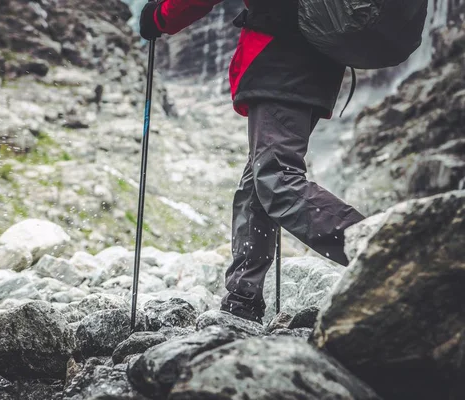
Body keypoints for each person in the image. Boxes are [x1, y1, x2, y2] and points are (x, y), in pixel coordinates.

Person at [139, 0, 365, 324]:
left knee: (277, 179)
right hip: (320, 64)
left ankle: (382, 250)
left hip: (279, 57)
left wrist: (160, 16)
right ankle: (242, 301)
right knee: (258, 182)